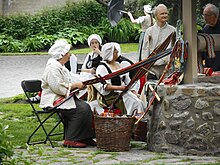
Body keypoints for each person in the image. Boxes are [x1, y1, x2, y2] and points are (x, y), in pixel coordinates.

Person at [39, 39, 96, 148]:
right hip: (53, 99)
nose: (70, 55)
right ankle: (71, 139)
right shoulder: (52, 67)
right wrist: (74, 86)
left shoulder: (60, 66)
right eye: (68, 53)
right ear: (62, 54)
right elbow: (58, 87)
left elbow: (69, 80)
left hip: (62, 97)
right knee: (80, 109)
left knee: (86, 107)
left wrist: (82, 83)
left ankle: (85, 137)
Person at [94, 42, 146, 115]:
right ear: (110, 53)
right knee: (135, 102)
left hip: (122, 92)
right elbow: (104, 86)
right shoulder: (102, 67)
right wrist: (120, 88)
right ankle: (131, 119)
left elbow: (127, 80)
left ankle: (138, 119)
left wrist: (133, 91)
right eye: (115, 50)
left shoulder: (118, 64)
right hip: (111, 96)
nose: (117, 52)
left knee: (140, 101)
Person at [142, 4, 176, 80]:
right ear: (156, 16)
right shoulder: (149, 31)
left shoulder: (173, 30)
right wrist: (145, 68)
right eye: (162, 14)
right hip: (152, 68)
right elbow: (145, 49)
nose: (165, 15)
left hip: (167, 69)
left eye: (166, 13)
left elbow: (176, 48)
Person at [201, 3, 220, 71]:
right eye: (204, 15)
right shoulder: (205, 29)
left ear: (215, 16)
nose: (204, 17)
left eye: (207, 15)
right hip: (209, 69)